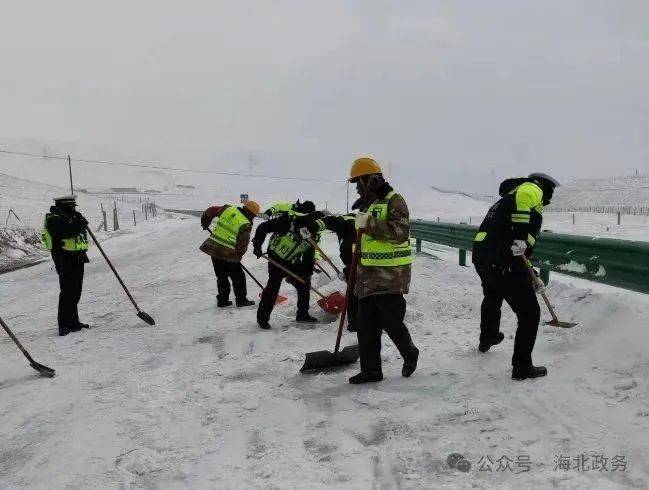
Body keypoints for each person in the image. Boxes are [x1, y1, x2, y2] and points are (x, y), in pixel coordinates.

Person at [472, 172, 560, 380]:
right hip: (503, 261)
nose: (549, 197)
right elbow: (517, 242)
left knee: (493, 295)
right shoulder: (531, 188)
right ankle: (522, 366)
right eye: (551, 191)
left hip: (484, 258)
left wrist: (531, 277)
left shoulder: (506, 199)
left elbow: (514, 246)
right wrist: (521, 237)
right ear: (545, 187)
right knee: (530, 314)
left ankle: (488, 336)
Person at [346, 157, 419, 384]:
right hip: (368, 278)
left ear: (371, 180)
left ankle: (410, 353)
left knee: (392, 323)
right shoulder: (368, 205)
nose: (357, 188)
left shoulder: (394, 200)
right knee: (365, 327)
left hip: (391, 277)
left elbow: (400, 232)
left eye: (359, 182)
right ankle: (371, 371)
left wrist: (369, 224)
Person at [252, 211, 325, 329]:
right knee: (273, 286)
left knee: (304, 283)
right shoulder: (288, 222)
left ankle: (302, 314)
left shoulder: (312, 235)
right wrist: (257, 245)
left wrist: (306, 274)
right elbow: (262, 227)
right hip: (275, 258)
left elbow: (308, 257)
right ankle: (262, 318)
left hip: (291, 260)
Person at [42, 196, 90, 336]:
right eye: (72, 206)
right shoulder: (54, 219)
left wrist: (80, 221)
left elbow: (79, 233)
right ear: (64, 206)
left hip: (78, 257)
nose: (74, 208)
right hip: (64, 259)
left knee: (76, 291)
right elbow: (67, 232)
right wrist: (78, 224)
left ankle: (74, 322)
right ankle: (63, 325)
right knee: (67, 292)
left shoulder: (70, 216)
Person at [199, 200, 260, 307]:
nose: (253, 217)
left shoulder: (228, 209)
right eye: (253, 215)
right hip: (228, 253)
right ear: (250, 212)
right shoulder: (245, 223)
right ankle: (241, 300)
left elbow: (210, 210)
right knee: (238, 277)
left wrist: (205, 221)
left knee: (221, 276)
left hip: (214, 248)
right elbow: (242, 245)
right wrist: (238, 257)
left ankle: (222, 300)